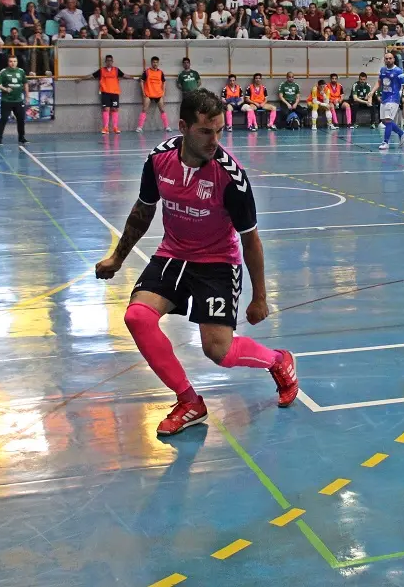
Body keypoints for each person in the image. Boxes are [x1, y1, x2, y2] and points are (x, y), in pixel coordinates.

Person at [94, 89, 299, 436]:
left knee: (218, 351)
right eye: (205, 131)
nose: (214, 140)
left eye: (219, 131)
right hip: (173, 253)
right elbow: (143, 210)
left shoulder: (230, 177)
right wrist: (118, 257)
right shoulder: (159, 160)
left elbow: (250, 239)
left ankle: (278, 361)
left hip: (218, 262)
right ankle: (189, 401)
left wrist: (260, 297)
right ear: (183, 127)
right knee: (137, 317)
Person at [76, 54, 129, 134]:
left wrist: (134, 78)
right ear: (105, 62)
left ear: (112, 61)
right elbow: (91, 75)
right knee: (106, 109)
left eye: (110, 60)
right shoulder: (101, 70)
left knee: (114, 109)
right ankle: (105, 128)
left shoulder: (116, 70)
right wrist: (81, 78)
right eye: (107, 60)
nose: (109, 62)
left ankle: (115, 127)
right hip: (105, 93)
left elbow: (124, 75)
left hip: (115, 93)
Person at [377, 51, 404, 150]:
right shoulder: (382, 70)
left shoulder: (398, 71)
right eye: (386, 58)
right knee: (384, 121)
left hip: (394, 98)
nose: (388, 60)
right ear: (384, 60)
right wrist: (372, 93)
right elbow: (379, 83)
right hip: (384, 98)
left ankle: (385, 142)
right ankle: (401, 133)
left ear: (394, 59)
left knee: (388, 120)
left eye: (390, 58)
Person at [0, 54, 29, 145]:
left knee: (21, 119)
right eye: (11, 61)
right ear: (8, 62)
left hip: (18, 100)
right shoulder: (4, 72)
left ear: (17, 62)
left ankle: (21, 138)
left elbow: (25, 83)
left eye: (14, 61)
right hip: (6, 100)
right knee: (4, 119)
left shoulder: (21, 71)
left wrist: (27, 96)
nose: (13, 63)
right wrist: (5, 89)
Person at [137, 55, 171, 132]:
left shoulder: (160, 72)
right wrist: (143, 92)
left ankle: (167, 126)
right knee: (144, 109)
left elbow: (164, 82)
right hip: (148, 94)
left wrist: (163, 92)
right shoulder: (146, 72)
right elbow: (141, 81)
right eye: (154, 62)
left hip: (158, 94)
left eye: (156, 62)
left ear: (158, 63)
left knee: (162, 110)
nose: (155, 64)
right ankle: (139, 127)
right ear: (151, 63)